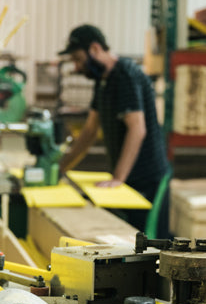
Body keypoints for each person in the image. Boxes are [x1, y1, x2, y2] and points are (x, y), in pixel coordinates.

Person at [58, 24, 170, 238]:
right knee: (130, 240)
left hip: (149, 181)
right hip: (130, 180)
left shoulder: (124, 75)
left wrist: (118, 177)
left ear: (95, 49)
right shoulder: (104, 81)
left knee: (150, 244)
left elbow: (137, 129)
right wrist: (61, 167)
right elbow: (90, 130)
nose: (77, 67)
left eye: (78, 59)